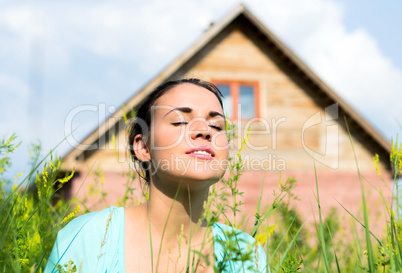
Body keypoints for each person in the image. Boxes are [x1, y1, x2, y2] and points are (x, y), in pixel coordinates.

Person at [45, 78, 268, 273]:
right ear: (143, 147)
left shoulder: (247, 255)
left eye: (217, 126)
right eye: (181, 121)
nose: (205, 131)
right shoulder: (89, 238)